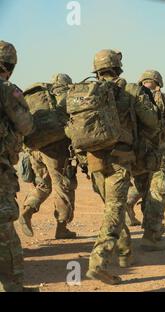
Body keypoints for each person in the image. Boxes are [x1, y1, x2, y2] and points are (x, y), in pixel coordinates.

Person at [84, 50, 160, 285]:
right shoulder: (131, 91)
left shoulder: (86, 92)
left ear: (96, 70)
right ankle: (98, 262)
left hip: (93, 159)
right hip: (119, 159)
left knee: (111, 208)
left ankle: (126, 253)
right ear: (118, 68)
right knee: (115, 211)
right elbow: (152, 122)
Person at [127, 70, 165, 251]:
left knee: (144, 189)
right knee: (159, 190)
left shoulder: (129, 96)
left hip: (136, 153)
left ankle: (131, 210)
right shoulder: (162, 98)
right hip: (158, 152)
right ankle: (151, 235)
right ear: (158, 82)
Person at [19, 74, 77, 239]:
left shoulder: (40, 98)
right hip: (55, 148)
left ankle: (27, 211)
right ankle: (62, 228)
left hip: (35, 148)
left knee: (43, 185)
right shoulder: (64, 95)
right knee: (63, 187)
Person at [0, 40, 35, 292]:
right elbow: (26, 125)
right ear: (10, 65)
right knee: (4, 228)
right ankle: (13, 288)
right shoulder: (7, 89)